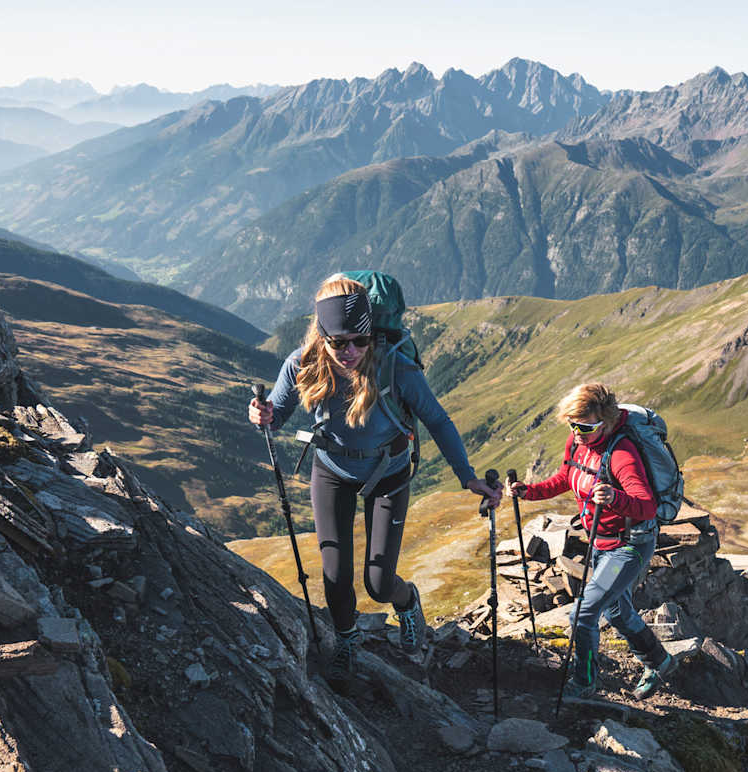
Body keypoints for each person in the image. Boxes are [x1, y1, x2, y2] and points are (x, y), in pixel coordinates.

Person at [248, 274, 499, 690]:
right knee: (335, 574)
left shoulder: (394, 366)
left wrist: (467, 477)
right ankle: (347, 641)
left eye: (359, 342)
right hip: (331, 470)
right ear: (322, 335)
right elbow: (274, 411)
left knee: (379, 583)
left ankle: (408, 603)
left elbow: (437, 419)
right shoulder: (302, 363)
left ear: (371, 335)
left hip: (390, 472)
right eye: (339, 342)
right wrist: (259, 415)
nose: (350, 352)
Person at [505, 383, 676, 700]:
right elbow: (564, 479)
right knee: (614, 611)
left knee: (582, 615)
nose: (577, 432)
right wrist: (528, 491)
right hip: (600, 542)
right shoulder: (577, 443)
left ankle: (582, 684)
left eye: (585, 426)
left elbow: (647, 506)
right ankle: (660, 661)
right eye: (572, 425)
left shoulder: (623, 455)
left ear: (608, 422)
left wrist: (613, 498)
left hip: (628, 547)